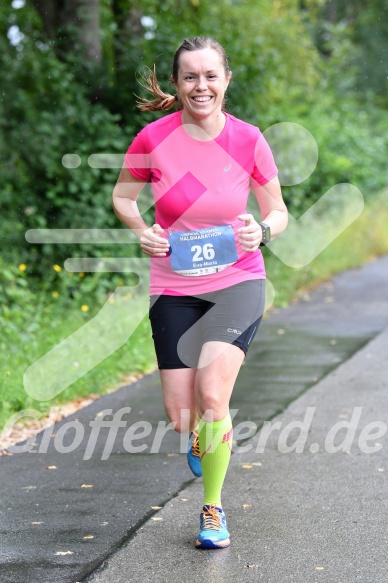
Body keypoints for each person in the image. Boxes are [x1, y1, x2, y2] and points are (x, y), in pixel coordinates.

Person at [112, 36, 288, 550]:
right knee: (182, 413)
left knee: (213, 394)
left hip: (238, 280)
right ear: (177, 84)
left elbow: (277, 210)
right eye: (190, 76)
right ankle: (199, 435)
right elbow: (123, 197)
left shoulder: (248, 139)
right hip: (174, 285)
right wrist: (141, 228)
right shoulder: (153, 138)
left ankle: (212, 510)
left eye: (210, 75)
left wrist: (265, 230)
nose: (201, 85)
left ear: (226, 80)